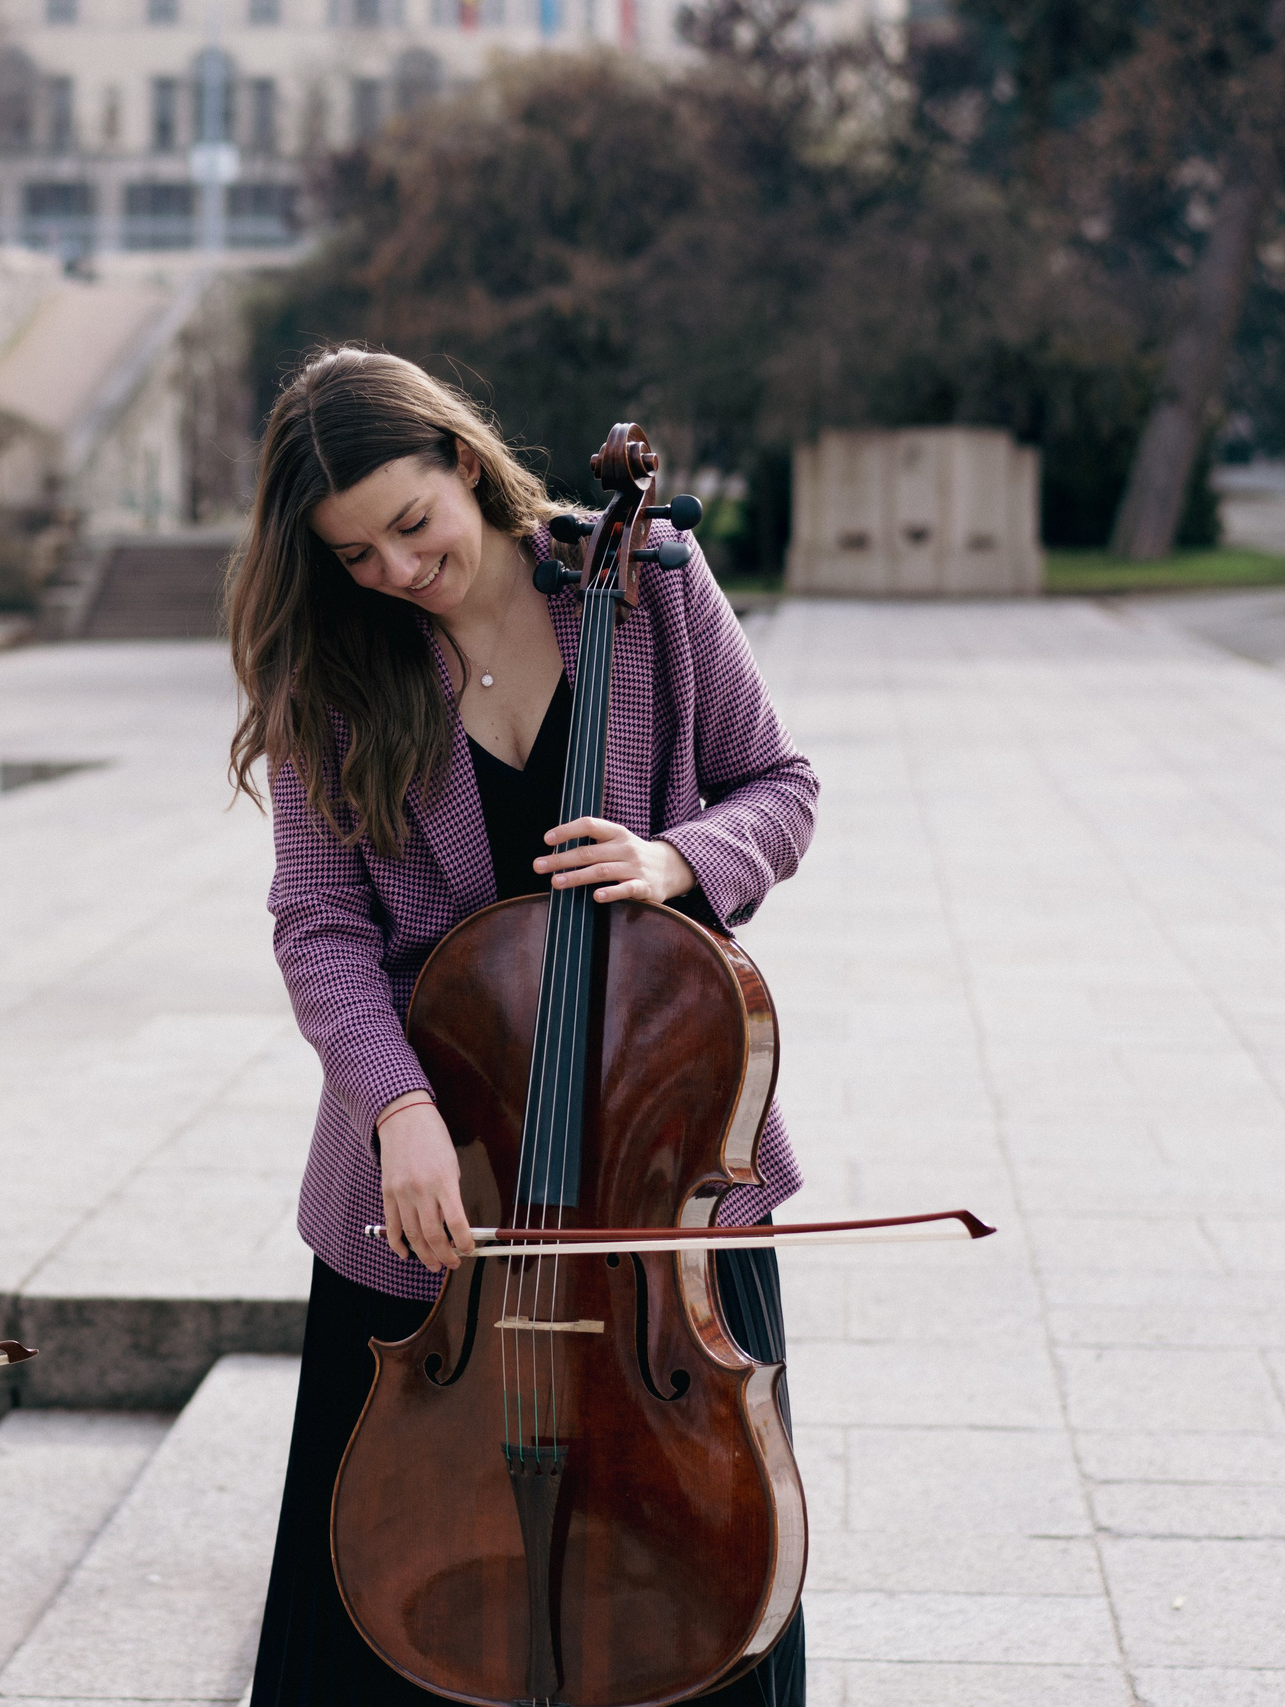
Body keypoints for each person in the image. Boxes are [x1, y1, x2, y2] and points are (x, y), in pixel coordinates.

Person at [226, 349, 819, 1706]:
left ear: (464, 461)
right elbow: (320, 926)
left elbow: (779, 784)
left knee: (698, 1577)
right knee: (395, 1606)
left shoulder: (650, 582)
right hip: (446, 1183)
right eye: (354, 554)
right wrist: (398, 1111)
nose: (395, 570)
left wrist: (677, 860)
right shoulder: (333, 663)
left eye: (411, 524)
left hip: (658, 1169)